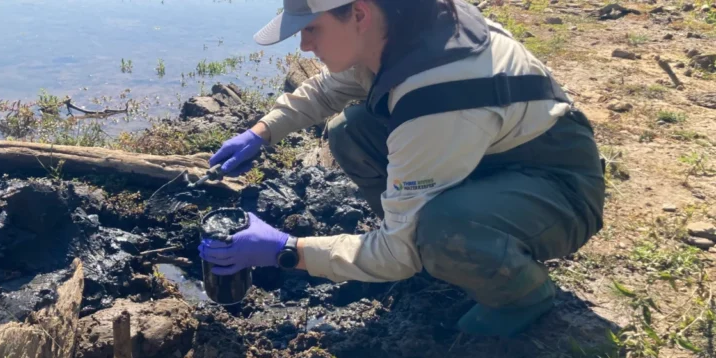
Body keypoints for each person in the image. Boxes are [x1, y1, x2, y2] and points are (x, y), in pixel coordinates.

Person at [198, 0, 605, 337]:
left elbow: (398, 252)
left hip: (557, 186)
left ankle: (523, 296)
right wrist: (262, 131)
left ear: (358, 14)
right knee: (350, 131)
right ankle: (420, 236)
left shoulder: (437, 94)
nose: (304, 46)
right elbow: (327, 89)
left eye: (312, 30)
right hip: (484, 153)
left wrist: (286, 252)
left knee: (441, 230)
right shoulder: (399, 27)